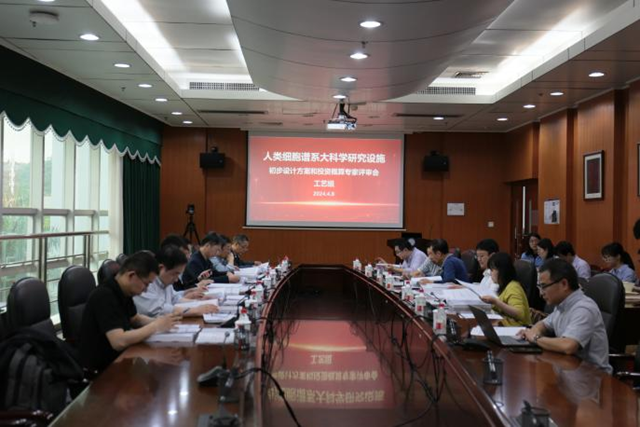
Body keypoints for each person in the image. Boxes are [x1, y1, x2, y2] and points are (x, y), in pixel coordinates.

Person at [79, 251, 181, 372]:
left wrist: (161, 321)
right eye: (146, 284)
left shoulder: (123, 291)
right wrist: (155, 326)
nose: (146, 290)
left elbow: (135, 319)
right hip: (102, 369)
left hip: (121, 359)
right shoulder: (105, 296)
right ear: (131, 275)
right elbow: (118, 341)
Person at [517, 259, 612, 373]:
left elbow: (568, 346)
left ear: (564, 284)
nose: (541, 293)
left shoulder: (583, 309)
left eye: (544, 286)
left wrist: (536, 338)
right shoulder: (562, 305)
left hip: (594, 377)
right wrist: (533, 333)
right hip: (570, 371)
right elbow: (543, 324)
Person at [134, 245, 219, 318]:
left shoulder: (165, 281)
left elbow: (174, 298)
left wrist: (199, 303)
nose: (176, 279)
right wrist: (195, 310)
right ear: (161, 268)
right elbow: (158, 309)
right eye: (174, 274)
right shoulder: (145, 282)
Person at [479, 252, 531, 326]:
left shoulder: (513, 287)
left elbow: (519, 313)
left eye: (492, 270)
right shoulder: (504, 286)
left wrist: (495, 302)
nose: (490, 273)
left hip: (519, 328)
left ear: (501, 270)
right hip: (508, 324)